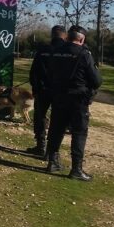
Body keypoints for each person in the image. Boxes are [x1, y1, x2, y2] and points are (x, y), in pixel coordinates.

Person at [45, 25, 102, 181]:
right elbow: (96, 81)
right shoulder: (84, 54)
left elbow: (49, 73)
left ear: (68, 37)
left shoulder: (56, 52)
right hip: (78, 99)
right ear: (82, 39)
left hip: (58, 97)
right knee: (79, 132)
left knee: (56, 129)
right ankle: (76, 169)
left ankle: (52, 162)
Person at [27, 25, 67, 157]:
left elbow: (34, 72)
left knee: (40, 117)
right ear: (64, 35)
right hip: (60, 92)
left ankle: (40, 145)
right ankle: (52, 151)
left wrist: (35, 87)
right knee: (57, 120)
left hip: (42, 90)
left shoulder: (43, 50)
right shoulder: (67, 50)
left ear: (52, 35)